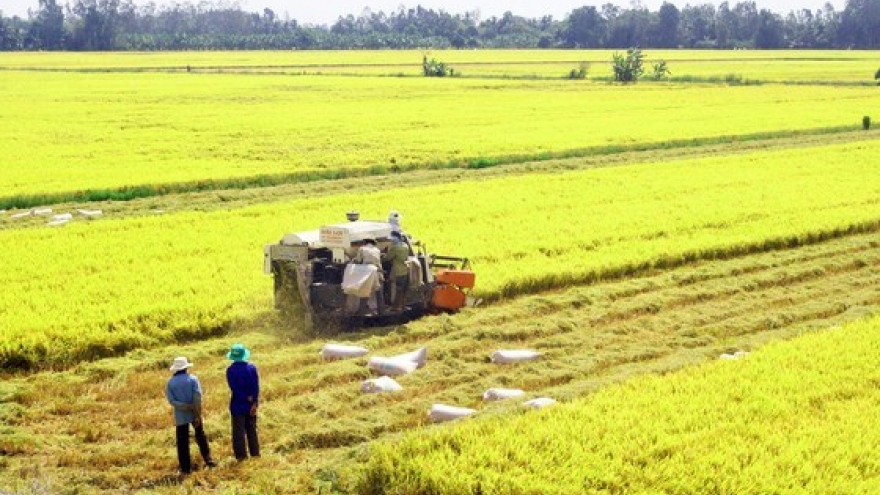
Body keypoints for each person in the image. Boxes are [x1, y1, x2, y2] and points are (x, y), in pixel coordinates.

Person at [166, 356, 215, 475]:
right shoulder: (193, 379)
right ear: (186, 368)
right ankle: (208, 459)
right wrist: (196, 414)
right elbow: (197, 398)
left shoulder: (171, 383)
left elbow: (172, 401)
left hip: (181, 415)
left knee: (182, 441)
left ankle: (185, 467)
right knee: (200, 435)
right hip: (194, 413)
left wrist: (184, 406)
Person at [226, 343, 260, 461]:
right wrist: (254, 402)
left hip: (237, 404)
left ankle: (241, 457)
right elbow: (256, 387)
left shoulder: (230, 370)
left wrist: (245, 397)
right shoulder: (252, 368)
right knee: (252, 429)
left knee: (238, 433)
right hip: (250, 405)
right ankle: (255, 454)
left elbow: (234, 388)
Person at [353, 238, 384, 316]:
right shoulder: (377, 250)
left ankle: (361, 312)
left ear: (365, 243)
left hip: (367, 272)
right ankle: (381, 312)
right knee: (379, 293)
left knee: (365, 292)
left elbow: (358, 260)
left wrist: (353, 260)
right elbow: (379, 262)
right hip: (376, 271)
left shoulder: (362, 249)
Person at [384, 230, 410, 311]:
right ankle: (403, 305)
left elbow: (388, 258)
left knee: (398, 289)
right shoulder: (405, 246)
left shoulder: (395, 248)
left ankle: (395, 307)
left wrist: (383, 255)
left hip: (398, 271)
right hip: (405, 270)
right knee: (404, 289)